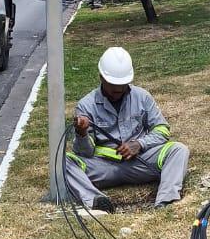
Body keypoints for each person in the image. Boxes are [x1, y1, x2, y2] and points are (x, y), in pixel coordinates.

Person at [67, 46, 189, 213]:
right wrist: (81, 133)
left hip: (140, 162)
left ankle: (165, 202)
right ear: (101, 77)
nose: (118, 91)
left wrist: (139, 144)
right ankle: (95, 201)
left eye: (122, 86)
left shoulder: (142, 97)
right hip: (104, 167)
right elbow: (85, 153)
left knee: (178, 150)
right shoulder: (86, 105)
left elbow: (162, 130)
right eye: (113, 86)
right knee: (64, 161)